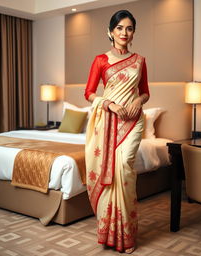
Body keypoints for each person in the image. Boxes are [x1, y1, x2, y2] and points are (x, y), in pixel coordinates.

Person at [84, 9, 149, 254]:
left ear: (133, 32)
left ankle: (126, 234)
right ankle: (110, 233)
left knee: (123, 170)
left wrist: (138, 101)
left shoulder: (140, 60)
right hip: (108, 122)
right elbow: (89, 93)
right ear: (110, 32)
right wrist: (109, 103)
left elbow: (145, 91)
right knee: (111, 173)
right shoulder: (100, 60)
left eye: (129, 28)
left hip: (133, 122)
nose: (124, 32)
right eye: (120, 28)